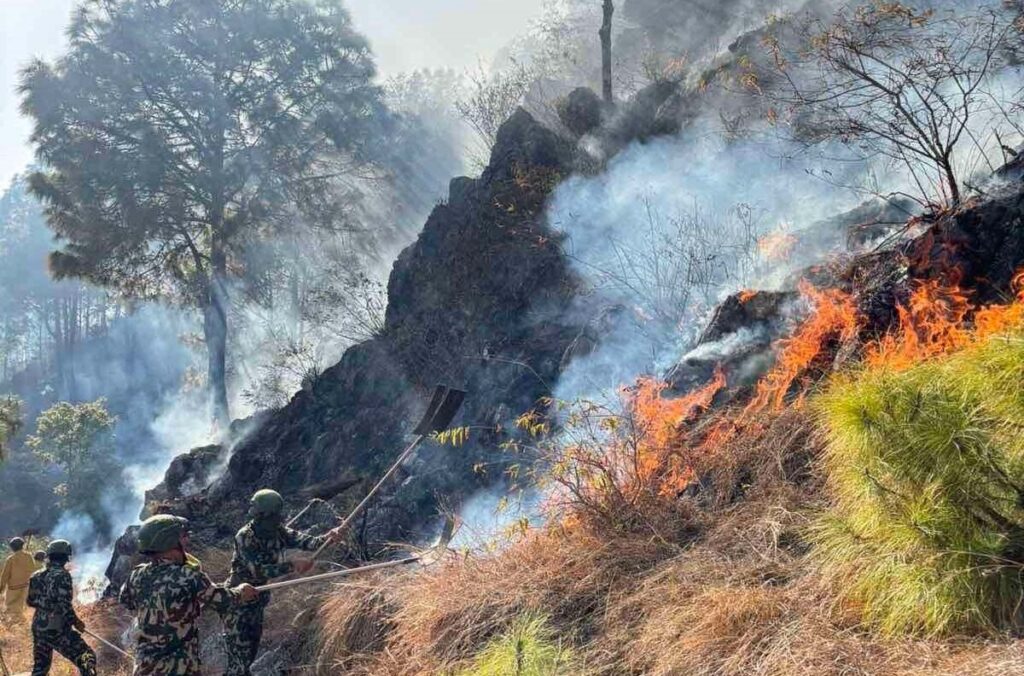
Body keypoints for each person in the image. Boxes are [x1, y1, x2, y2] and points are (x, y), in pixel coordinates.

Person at [222, 489, 344, 675]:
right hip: (238, 602)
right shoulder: (245, 536)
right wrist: (292, 565)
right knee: (238, 664)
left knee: (250, 654)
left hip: (257, 600)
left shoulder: (278, 530)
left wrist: (328, 538)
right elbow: (258, 569)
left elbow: (307, 542)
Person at [119, 514, 258, 675]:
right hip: (179, 667)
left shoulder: (136, 575)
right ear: (170, 542)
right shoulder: (188, 575)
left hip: (145, 667)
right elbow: (222, 600)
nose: (187, 540)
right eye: (183, 536)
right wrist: (241, 591)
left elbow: (126, 601)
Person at [26, 540, 97, 675]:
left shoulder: (36, 576)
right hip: (57, 628)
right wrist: (76, 622)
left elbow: (30, 602)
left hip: (39, 626)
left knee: (40, 668)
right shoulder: (63, 575)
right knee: (87, 658)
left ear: (49, 555)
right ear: (66, 557)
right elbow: (64, 606)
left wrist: (45, 605)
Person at [0, 537, 36, 622]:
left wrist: (1, 588)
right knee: (21, 607)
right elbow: (33, 570)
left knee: (11, 608)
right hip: (26, 586)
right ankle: (20, 624)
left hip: (13, 589)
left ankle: (15, 625)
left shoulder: (11, 559)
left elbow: (5, 575)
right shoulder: (29, 556)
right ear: (22, 546)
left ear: (12, 547)